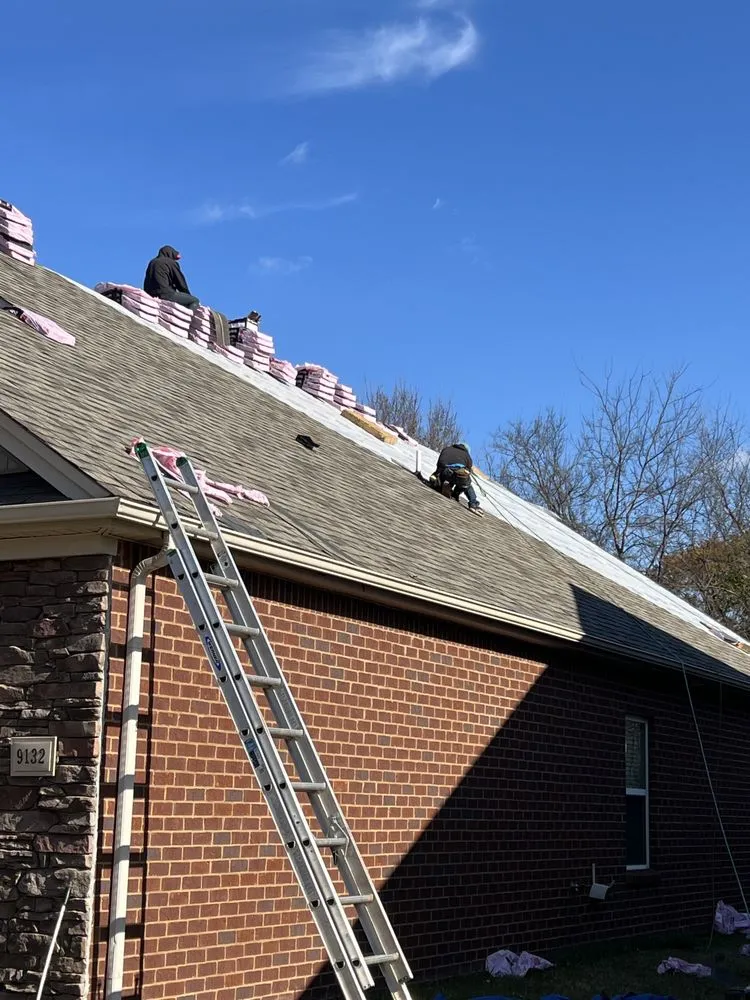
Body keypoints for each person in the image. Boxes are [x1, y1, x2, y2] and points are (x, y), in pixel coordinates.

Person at [430, 442, 484, 516]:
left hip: (445, 472)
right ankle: (473, 504)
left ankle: (442, 487)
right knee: (467, 485)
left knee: (441, 478)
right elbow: (468, 470)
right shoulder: (467, 455)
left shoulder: (446, 449)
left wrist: (436, 475)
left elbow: (439, 464)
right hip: (460, 474)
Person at [143, 246, 200, 310]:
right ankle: (187, 318)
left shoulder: (152, 262)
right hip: (165, 294)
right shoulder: (171, 262)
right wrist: (188, 295)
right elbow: (180, 283)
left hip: (149, 294)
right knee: (194, 301)